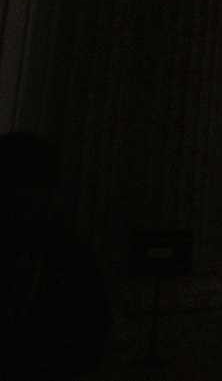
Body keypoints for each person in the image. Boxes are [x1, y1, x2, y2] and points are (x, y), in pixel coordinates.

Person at [0, 132, 110, 379]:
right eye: (37, 188)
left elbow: (92, 330)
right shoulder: (72, 257)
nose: (50, 198)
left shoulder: (72, 258)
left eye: (49, 189)